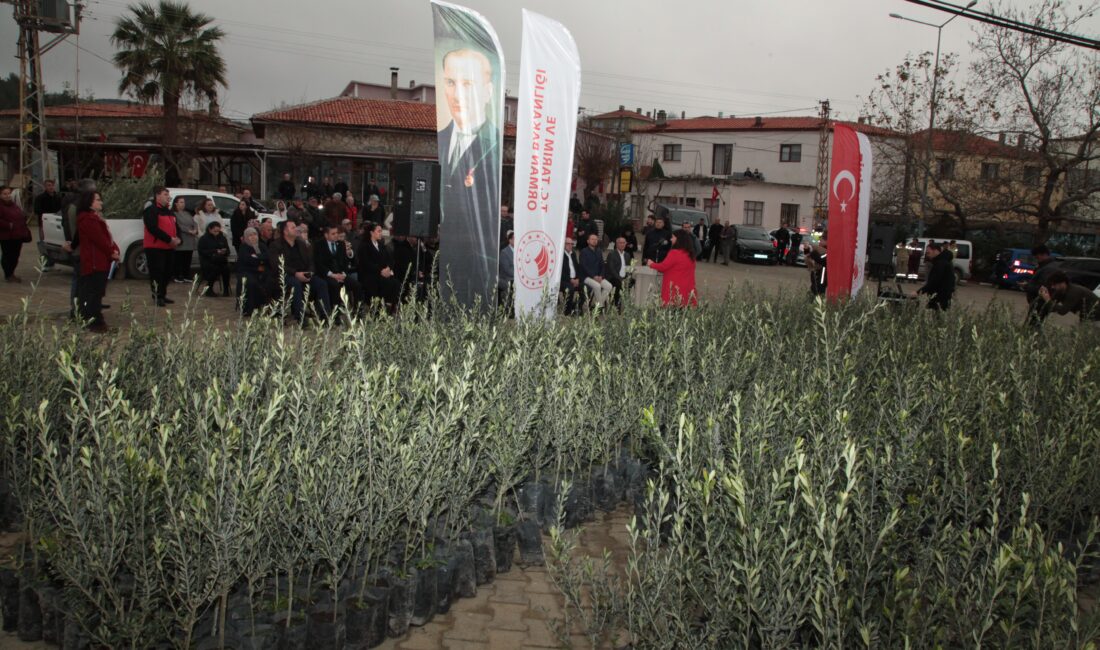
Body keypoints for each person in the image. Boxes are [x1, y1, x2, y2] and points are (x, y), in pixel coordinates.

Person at [436, 47, 502, 305]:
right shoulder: (439, 141)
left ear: (487, 92)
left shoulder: (494, 147)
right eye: (451, 82)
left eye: (468, 84)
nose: (457, 94)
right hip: (444, 260)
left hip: (476, 262)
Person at [268, 220, 330, 324]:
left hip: (303, 273)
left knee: (321, 284)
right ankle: (301, 317)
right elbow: (277, 265)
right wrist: (295, 274)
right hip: (285, 275)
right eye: (292, 227)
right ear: (285, 231)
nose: (296, 229)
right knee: (295, 284)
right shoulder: (276, 245)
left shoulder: (301, 243)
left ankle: (325, 315)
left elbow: (310, 260)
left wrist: (310, 272)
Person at [75, 190, 119, 332]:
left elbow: (107, 238)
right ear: (89, 202)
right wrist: (111, 252)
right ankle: (94, 321)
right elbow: (99, 240)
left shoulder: (95, 218)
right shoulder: (88, 219)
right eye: (97, 200)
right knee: (94, 293)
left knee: (96, 292)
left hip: (100, 260)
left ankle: (91, 318)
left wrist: (114, 248)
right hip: (94, 262)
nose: (101, 202)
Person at [143, 186, 180, 306]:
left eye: (168, 195)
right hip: (155, 247)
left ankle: (163, 294)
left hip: (169, 247)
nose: (168, 197)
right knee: (157, 272)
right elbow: (152, 228)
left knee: (168, 272)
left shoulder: (169, 211)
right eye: (165, 194)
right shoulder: (151, 210)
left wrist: (178, 238)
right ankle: (157, 296)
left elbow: (176, 227)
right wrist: (169, 239)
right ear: (157, 196)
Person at [314, 224, 360, 317]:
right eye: (333, 234)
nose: (336, 235)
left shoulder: (341, 244)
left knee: (357, 285)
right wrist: (333, 275)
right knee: (335, 285)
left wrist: (342, 274)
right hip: (327, 274)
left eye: (337, 233)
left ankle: (357, 310)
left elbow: (344, 262)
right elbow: (319, 264)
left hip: (340, 274)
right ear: (326, 235)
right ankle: (336, 314)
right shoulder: (319, 245)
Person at [647, 229, 698, 307]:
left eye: (673, 237)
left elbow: (663, 267)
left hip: (674, 290)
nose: (671, 239)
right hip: (687, 290)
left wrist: (651, 264)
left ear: (678, 239)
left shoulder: (675, 253)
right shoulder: (691, 254)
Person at [358, 221, 398, 314]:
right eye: (379, 231)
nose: (381, 233)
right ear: (371, 233)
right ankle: (378, 310)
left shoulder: (381, 245)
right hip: (369, 274)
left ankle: (390, 308)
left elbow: (390, 259)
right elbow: (366, 263)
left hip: (383, 272)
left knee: (396, 283)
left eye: (381, 231)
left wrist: (388, 268)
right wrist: (381, 270)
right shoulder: (364, 246)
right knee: (383, 283)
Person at [0, 186, 31, 283]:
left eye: (8, 193)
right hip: (6, 236)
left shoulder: (13, 204)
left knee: (15, 255)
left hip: (18, 235)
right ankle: (8, 274)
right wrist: (8, 225)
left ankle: (11, 273)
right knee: (8, 256)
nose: (7, 196)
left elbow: (19, 215)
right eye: (5, 194)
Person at [236, 227, 268, 317]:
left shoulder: (262, 245)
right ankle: (249, 308)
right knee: (251, 282)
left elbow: (267, 256)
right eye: (250, 235)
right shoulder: (243, 247)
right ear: (246, 237)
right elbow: (248, 260)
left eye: (255, 234)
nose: (253, 237)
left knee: (272, 279)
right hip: (247, 271)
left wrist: (257, 256)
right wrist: (259, 261)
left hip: (263, 270)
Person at [1024, 244, 1058, 326]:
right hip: (1037, 302)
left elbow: (1043, 287)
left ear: (1044, 254)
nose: (1036, 259)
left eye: (1037, 257)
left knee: (1033, 326)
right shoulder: (1043, 266)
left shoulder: (1048, 268)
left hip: (1040, 303)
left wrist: (1027, 286)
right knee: (1033, 325)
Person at [916, 241, 955, 310]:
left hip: (939, 298)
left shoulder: (941, 264)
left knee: (938, 318)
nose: (927, 255)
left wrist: (918, 292)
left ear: (936, 251)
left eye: (928, 253)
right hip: (941, 297)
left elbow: (934, 282)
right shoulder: (941, 262)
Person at [197, 221, 232, 297]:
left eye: (218, 231)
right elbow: (202, 251)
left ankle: (226, 290)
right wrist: (215, 251)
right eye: (214, 231)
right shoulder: (203, 239)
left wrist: (224, 252)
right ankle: (209, 289)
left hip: (220, 260)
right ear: (210, 229)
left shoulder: (222, 238)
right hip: (208, 260)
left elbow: (228, 250)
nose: (217, 233)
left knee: (226, 268)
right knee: (215, 268)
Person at [579, 232, 613, 308]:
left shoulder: (599, 251)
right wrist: (593, 276)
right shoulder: (583, 252)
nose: (594, 241)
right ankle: (599, 307)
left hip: (598, 276)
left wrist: (601, 276)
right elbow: (584, 267)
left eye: (596, 239)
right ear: (588, 241)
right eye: (592, 239)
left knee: (609, 286)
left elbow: (602, 265)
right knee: (597, 286)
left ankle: (596, 306)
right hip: (586, 277)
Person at [172, 196, 198, 283]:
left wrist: (195, 229)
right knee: (179, 259)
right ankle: (177, 275)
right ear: (176, 203)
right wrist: (188, 230)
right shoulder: (174, 214)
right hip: (182, 238)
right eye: (181, 202)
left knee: (187, 259)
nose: (183, 204)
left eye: (183, 202)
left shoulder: (187, 213)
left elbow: (194, 222)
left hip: (190, 239)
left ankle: (186, 275)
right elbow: (178, 225)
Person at [605, 235, 633, 309]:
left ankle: (629, 305)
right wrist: (621, 279)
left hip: (624, 277)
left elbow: (629, 267)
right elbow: (611, 269)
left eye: (624, 243)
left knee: (633, 281)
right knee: (618, 283)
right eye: (620, 243)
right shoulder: (612, 254)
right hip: (613, 277)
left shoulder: (627, 255)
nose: (622, 244)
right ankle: (616, 306)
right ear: (617, 244)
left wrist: (628, 277)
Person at [560, 237, 582, 315]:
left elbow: (577, 267)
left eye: (571, 244)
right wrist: (570, 280)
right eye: (568, 244)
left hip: (575, 279)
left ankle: (576, 306)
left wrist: (578, 279)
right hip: (564, 280)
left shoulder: (573, 254)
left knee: (586, 287)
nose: (570, 245)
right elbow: (561, 272)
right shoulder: (560, 255)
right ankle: (567, 311)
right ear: (563, 244)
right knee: (570, 289)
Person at [498, 231, 514, 313]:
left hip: (516, 278)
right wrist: (519, 275)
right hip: (506, 278)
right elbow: (507, 270)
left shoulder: (520, 250)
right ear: (510, 240)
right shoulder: (504, 252)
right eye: (514, 239)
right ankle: (508, 310)